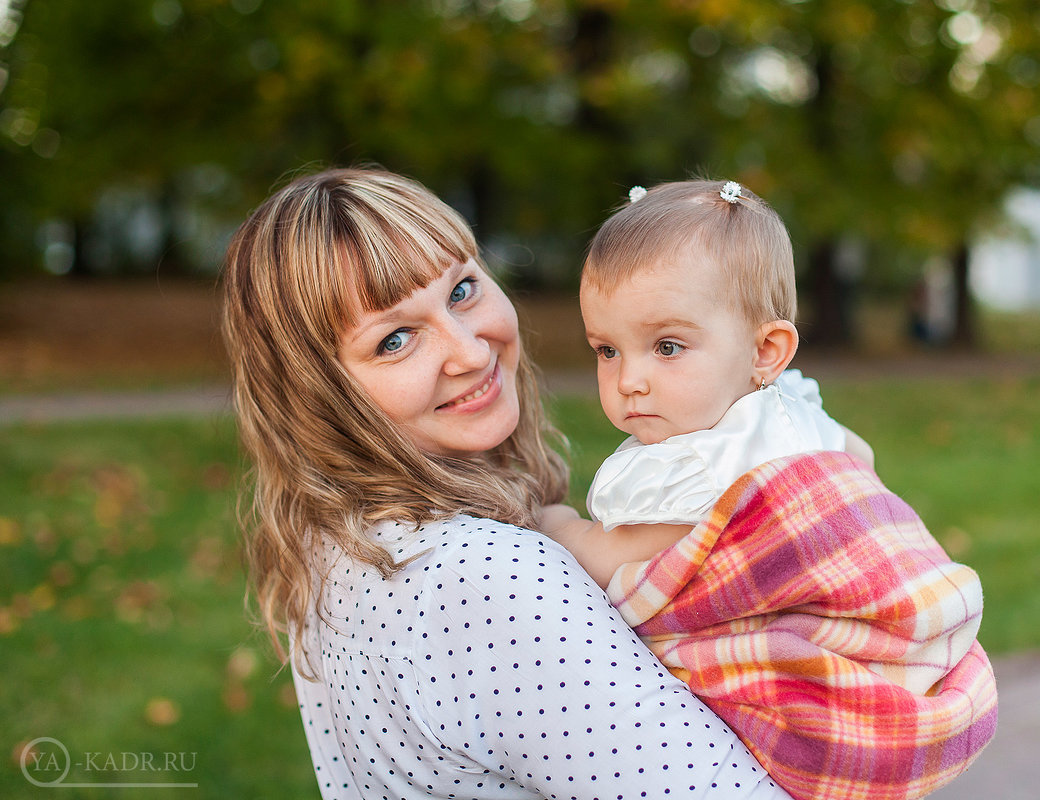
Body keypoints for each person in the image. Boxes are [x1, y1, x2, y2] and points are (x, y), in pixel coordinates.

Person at [220, 167, 795, 799]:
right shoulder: (487, 577)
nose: (469, 351)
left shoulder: (331, 537)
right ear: (319, 394)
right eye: (395, 340)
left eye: (462, 290)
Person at [540, 179, 997, 798]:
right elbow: (857, 457)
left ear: (766, 350)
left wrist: (552, 522)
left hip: (822, 685)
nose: (629, 380)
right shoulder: (791, 408)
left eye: (666, 347)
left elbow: (611, 555)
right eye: (607, 349)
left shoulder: (703, 464)